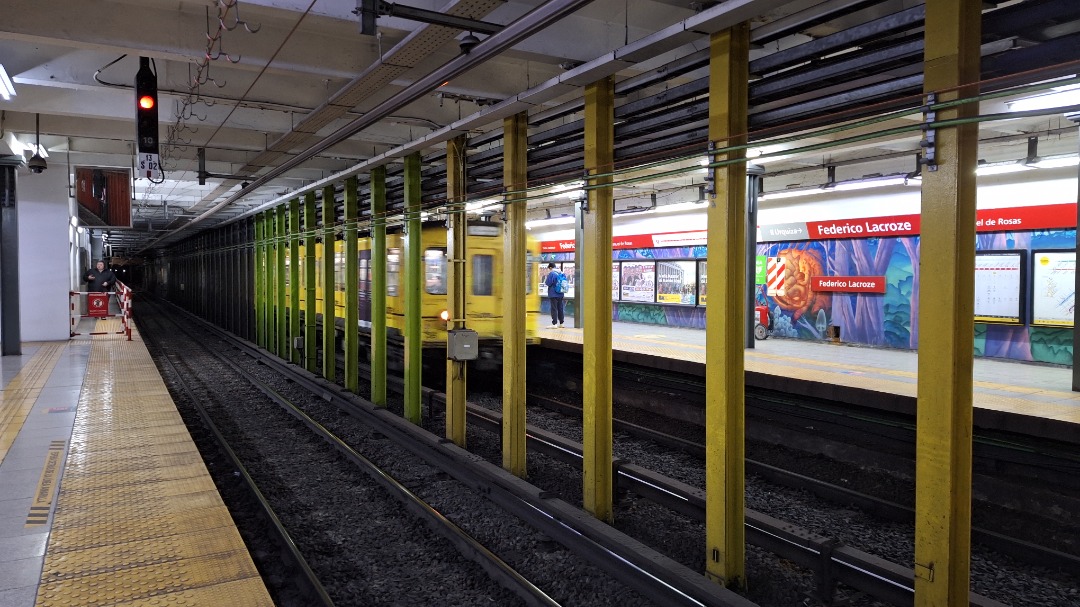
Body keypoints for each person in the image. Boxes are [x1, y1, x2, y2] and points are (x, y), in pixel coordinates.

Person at [544, 262, 565, 328]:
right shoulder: (561, 272)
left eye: (548, 268)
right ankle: (561, 323)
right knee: (560, 308)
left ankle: (554, 324)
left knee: (554, 308)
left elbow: (548, 283)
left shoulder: (552, 273)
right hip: (561, 293)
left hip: (553, 294)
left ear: (550, 267)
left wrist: (548, 276)